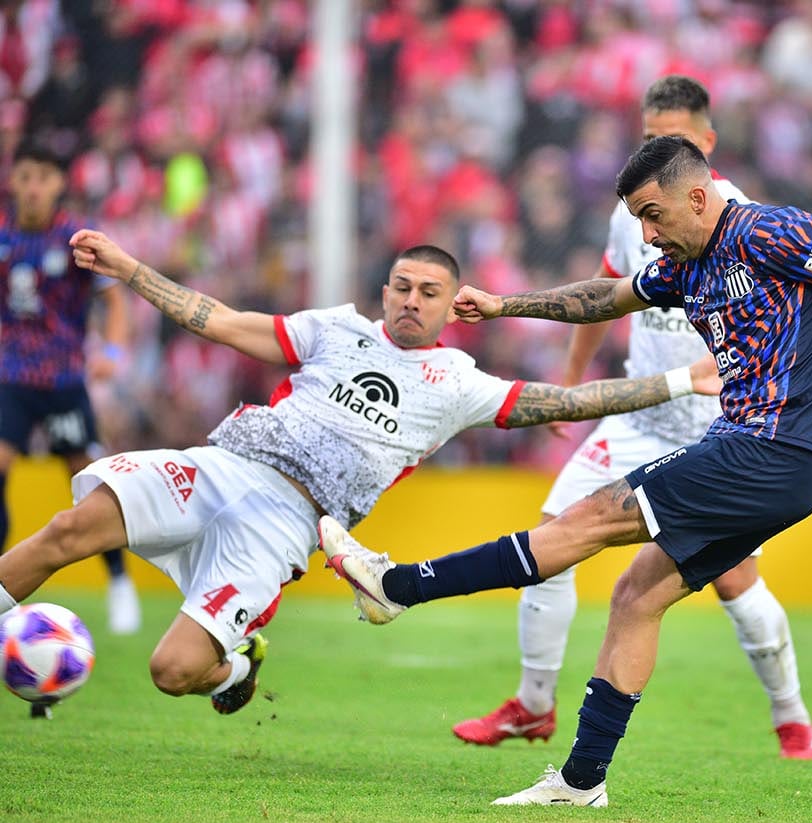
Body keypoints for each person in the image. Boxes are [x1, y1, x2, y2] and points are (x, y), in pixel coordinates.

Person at [319, 135, 812, 806]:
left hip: (769, 447)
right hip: (773, 459)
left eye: (654, 215)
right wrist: (506, 304)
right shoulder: (686, 267)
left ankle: (398, 586)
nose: (647, 235)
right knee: (636, 595)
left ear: (699, 197)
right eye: (638, 220)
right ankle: (582, 781)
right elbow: (605, 298)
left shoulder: (765, 231)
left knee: (583, 521)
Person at [0, 228, 720, 715]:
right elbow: (216, 319)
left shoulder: (457, 379)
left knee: (172, 672)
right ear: (384, 291)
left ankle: (238, 665)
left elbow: (569, 399)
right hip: (222, 463)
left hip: (286, 521)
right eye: (401, 286)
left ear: (452, 306)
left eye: (428, 292)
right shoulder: (333, 327)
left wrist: (682, 381)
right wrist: (129, 269)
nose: (411, 300)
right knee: (73, 527)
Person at [451, 75, 812, 761]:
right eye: (649, 136)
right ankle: (532, 705)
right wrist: (566, 383)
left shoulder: (744, 223)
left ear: (705, 147)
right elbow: (603, 292)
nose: (655, 148)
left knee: (736, 581)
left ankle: (791, 714)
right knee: (554, 536)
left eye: (671, 139)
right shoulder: (636, 214)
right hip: (636, 416)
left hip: (718, 428)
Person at [0, 141, 139, 635]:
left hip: (63, 380)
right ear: (13, 182)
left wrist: (115, 352)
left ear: (59, 184)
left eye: (42, 177)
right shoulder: (3, 235)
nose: (32, 188)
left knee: (88, 482)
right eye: (24, 177)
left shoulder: (75, 240)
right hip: (11, 377)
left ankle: (120, 581)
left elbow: (113, 301)